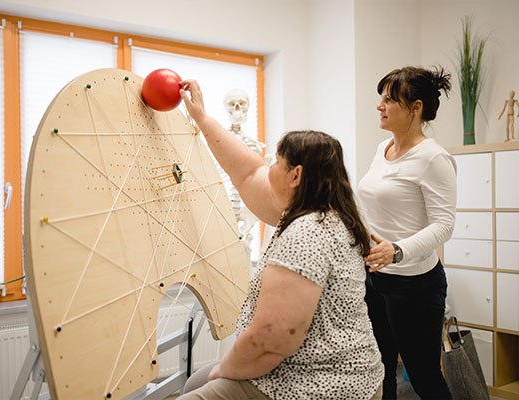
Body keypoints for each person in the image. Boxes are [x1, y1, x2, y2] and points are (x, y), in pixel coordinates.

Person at [177, 80, 384, 400]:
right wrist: (202, 118)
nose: (267, 167)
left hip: (318, 382)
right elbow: (246, 171)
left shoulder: (305, 234)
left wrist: (223, 370)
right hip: (316, 365)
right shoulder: (328, 210)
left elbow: (271, 341)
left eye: (275, 161)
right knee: (194, 383)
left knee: (197, 388)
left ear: (295, 175)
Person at [357, 66, 457, 399]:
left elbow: (444, 225)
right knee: (378, 369)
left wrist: (396, 250)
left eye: (389, 99)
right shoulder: (381, 149)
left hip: (415, 285)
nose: (379, 106)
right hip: (374, 279)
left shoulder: (433, 158)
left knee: (423, 375)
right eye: (381, 98)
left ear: (415, 108)